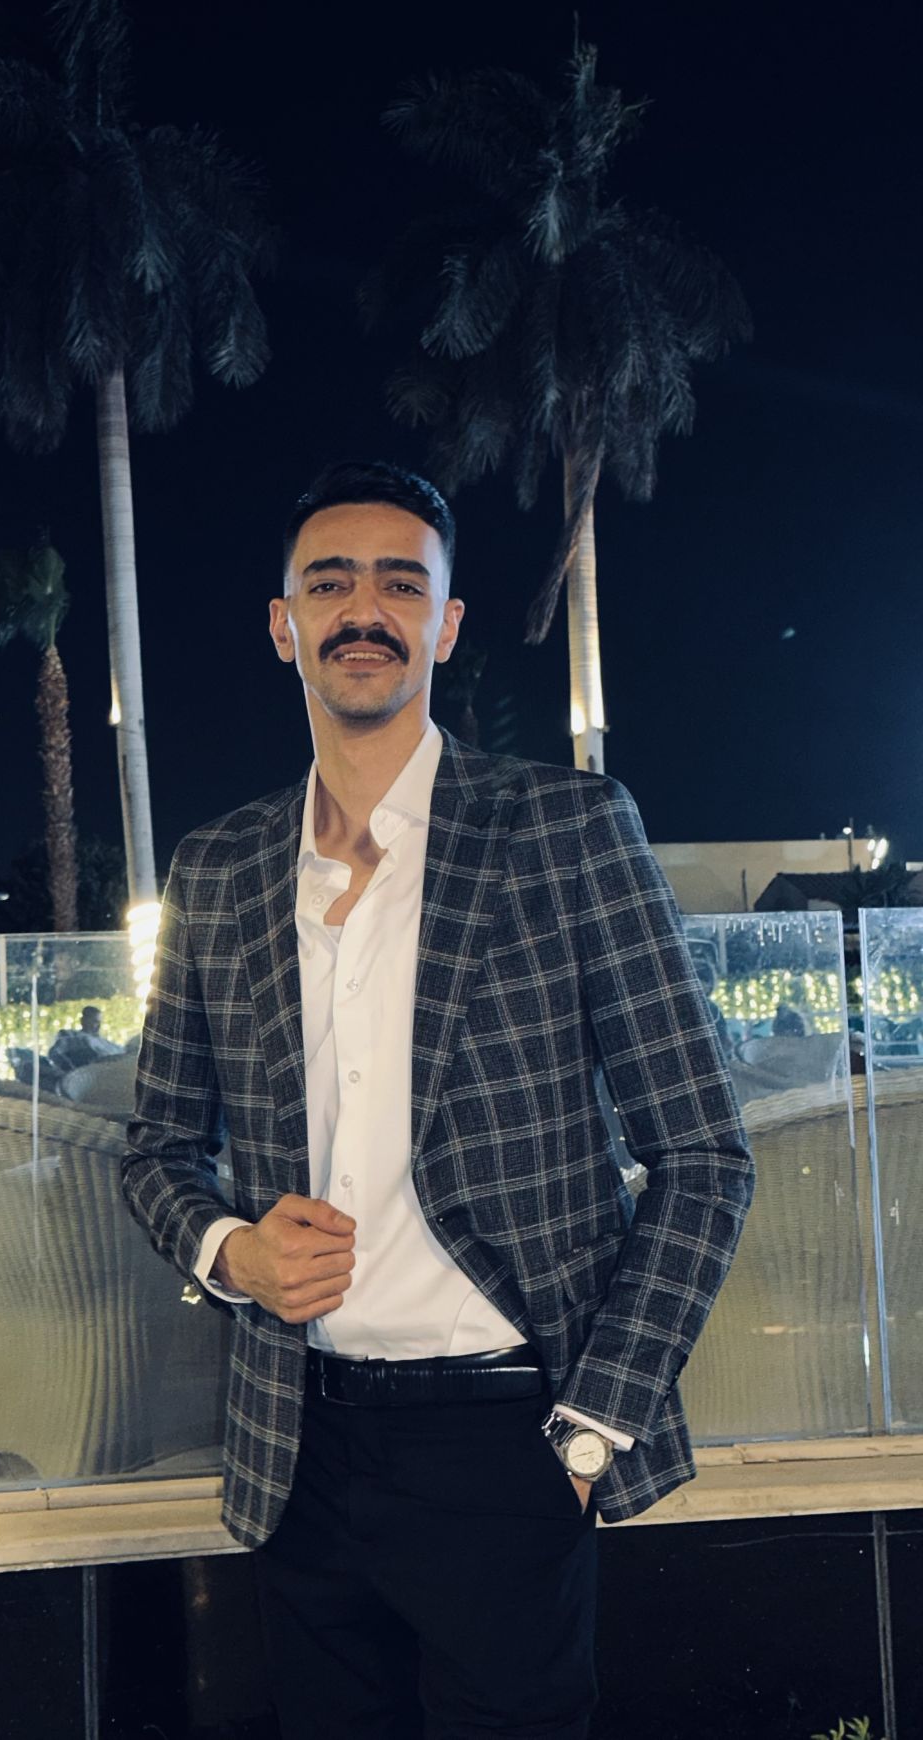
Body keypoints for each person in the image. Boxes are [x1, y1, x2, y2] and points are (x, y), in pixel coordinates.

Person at [123, 461, 754, 1740]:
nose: (364, 609)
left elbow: (703, 1154)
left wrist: (592, 1429)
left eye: (400, 584)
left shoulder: (566, 830)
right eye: (329, 583)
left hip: (511, 1438)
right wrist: (232, 1250)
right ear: (282, 623)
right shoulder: (219, 866)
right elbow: (153, 1146)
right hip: (298, 1442)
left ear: (446, 622)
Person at [48, 1005, 123, 1074]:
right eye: (95, 1022)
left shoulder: (106, 1043)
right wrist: (72, 1071)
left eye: (99, 1022)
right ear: (83, 1020)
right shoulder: (70, 1036)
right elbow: (55, 1053)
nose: (99, 1026)